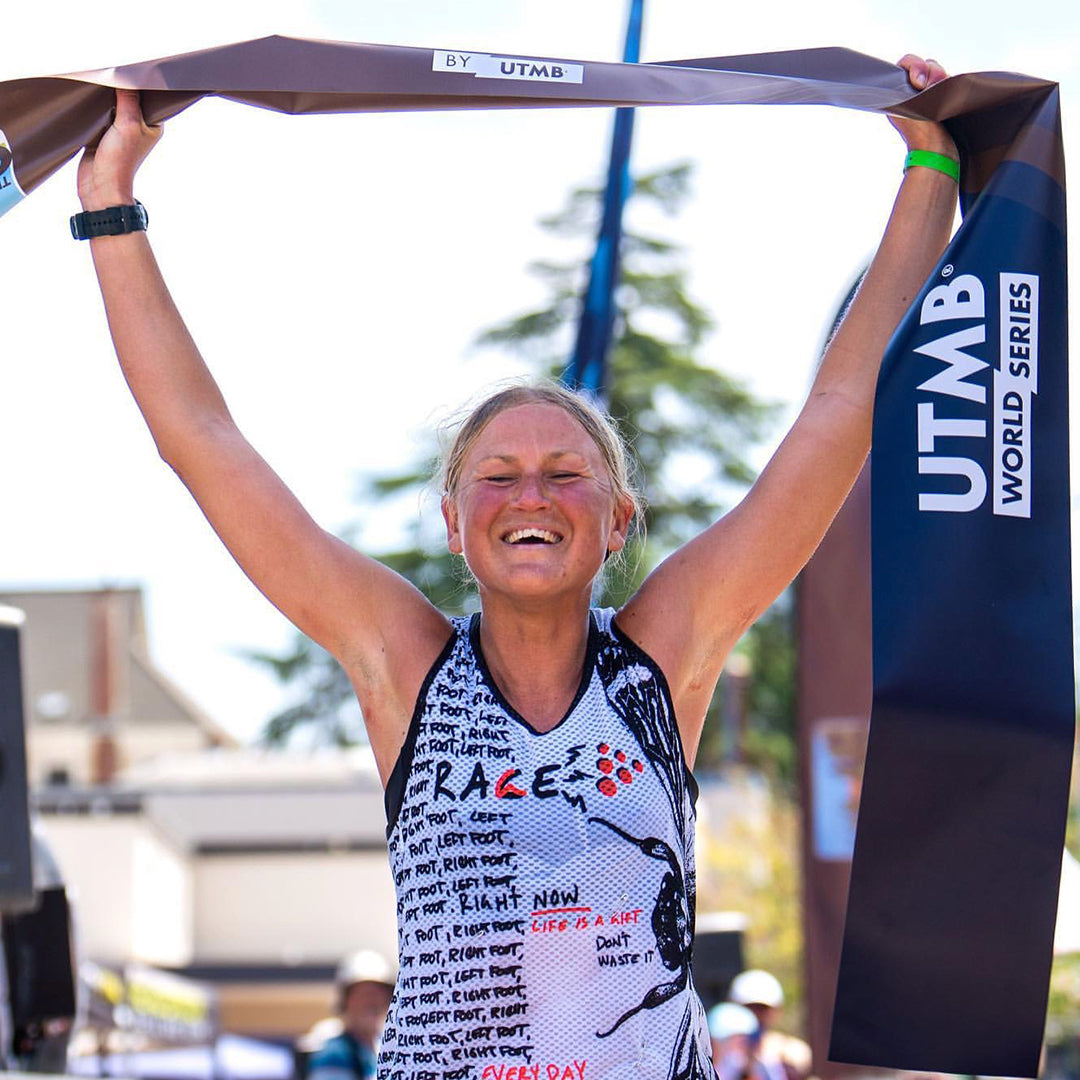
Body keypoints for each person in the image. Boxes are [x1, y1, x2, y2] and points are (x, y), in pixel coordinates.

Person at [72, 54, 957, 1080]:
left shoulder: (663, 660)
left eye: (564, 473)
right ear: (454, 521)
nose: (530, 493)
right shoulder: (404, 668)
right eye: (497, 474)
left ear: (619, 520)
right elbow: (202, 440)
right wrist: (110, 203)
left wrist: (930, 168)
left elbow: (839, 417)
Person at [305, 951, 396, 1080]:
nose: (372, 1002)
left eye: (379, 993)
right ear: (345, 1001)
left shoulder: (381, 1048)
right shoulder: (334, 1056)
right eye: (364, 994)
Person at [725, 970, 811, 1080]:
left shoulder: (789, 1050)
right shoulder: (719, 1050)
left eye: (761, 1009)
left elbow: (801, 1061)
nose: (754, 1014)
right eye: (749, 1008)